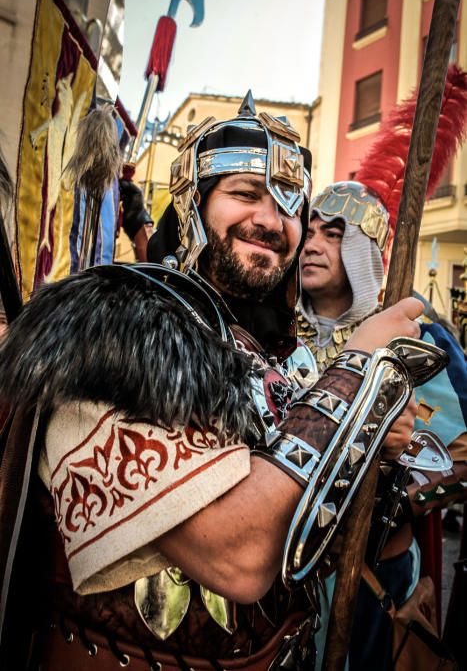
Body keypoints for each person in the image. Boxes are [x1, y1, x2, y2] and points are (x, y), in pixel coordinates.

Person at [0, 96, 432, 671]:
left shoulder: (285, 355)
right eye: (245, 194)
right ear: (193, 201)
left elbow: (312, 538)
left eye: (287, 204)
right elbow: (240, 556)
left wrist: (378, 446)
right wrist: (355, 375)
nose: (271, 221)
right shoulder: (120, 326)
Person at [298, 180, 467, 668]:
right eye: (308, 232)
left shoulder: (415, 336)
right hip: (292, 580)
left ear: (362, 250)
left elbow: (463, 452)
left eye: (332, 234)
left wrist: (392, 502)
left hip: (378, 574)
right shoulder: (275, 332)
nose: (311, 244)